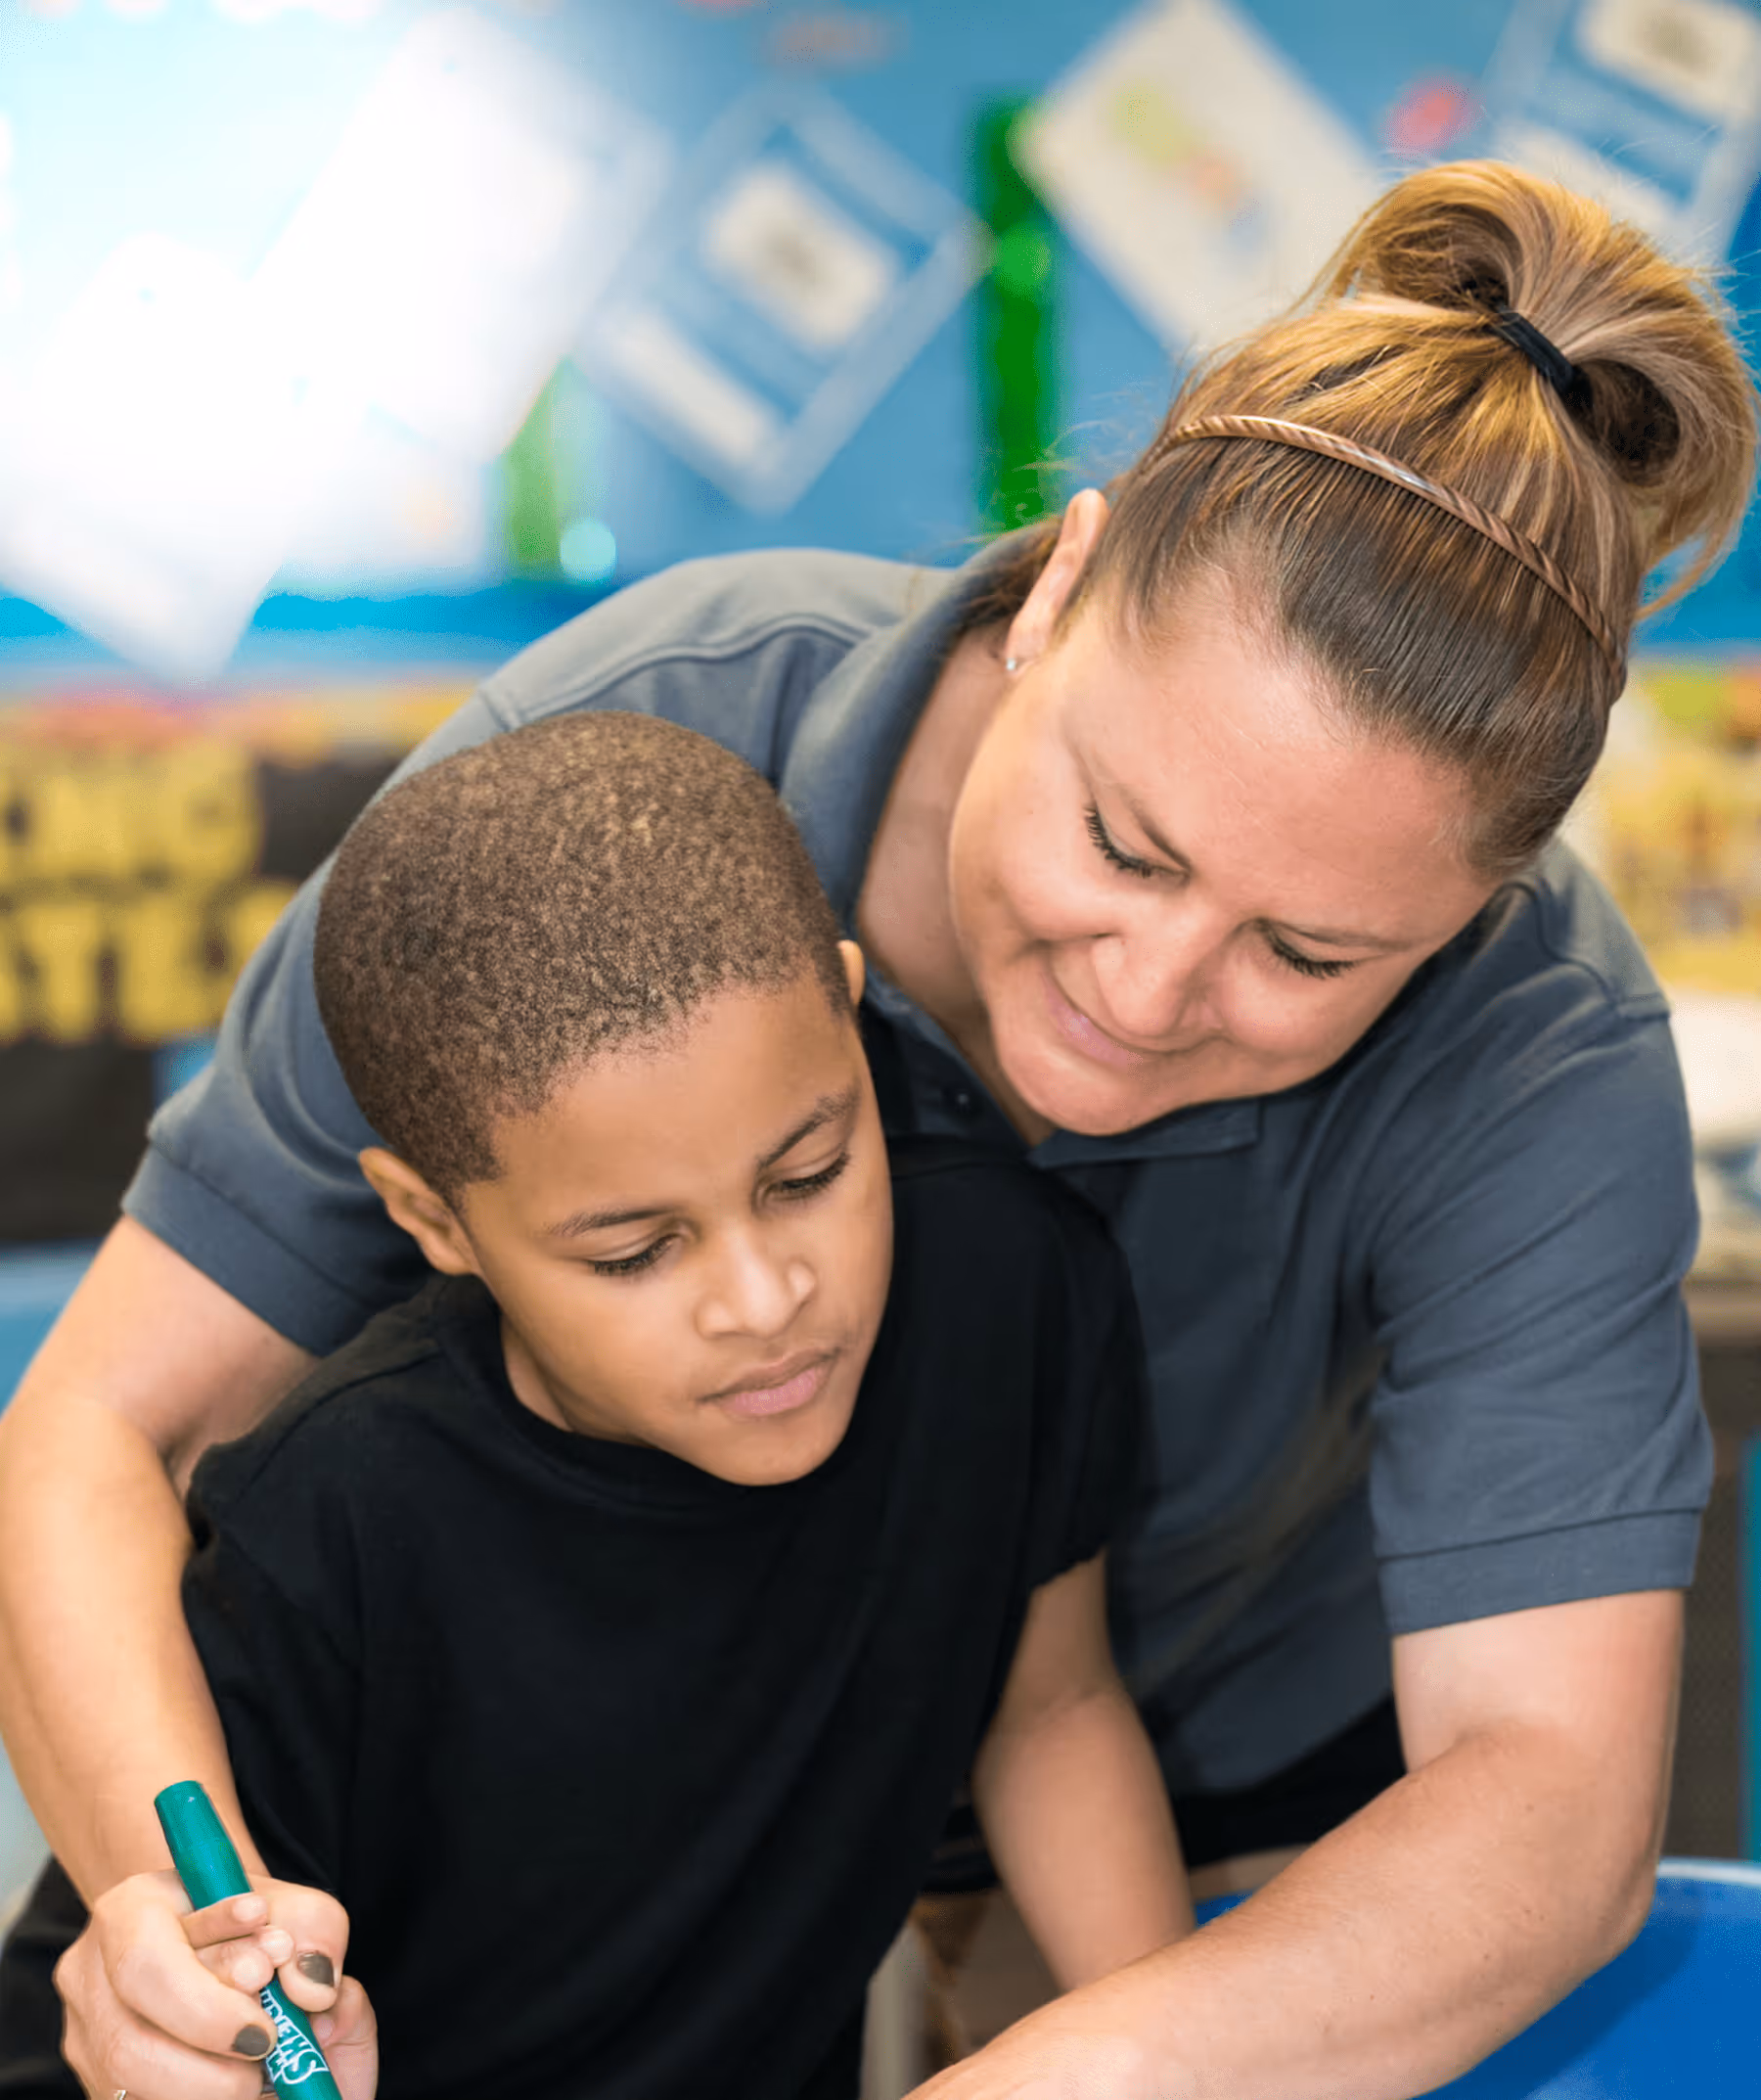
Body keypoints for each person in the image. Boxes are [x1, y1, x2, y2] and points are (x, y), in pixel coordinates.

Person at [0, 158, 1752, 2099]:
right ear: (1059, 583)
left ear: (1476, 913)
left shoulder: (1538, 1043)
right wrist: (163, 1910)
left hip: (1229, 1780)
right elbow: (96, 1426)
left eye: (1306, 951)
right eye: (1122, 837)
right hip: (654, 1770)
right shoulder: (632, 763)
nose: (1149, 990)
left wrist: (1070, 2064)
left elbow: (1550, 1805)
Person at [0, 712, 1191, 2100]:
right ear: (434, 1219)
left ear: (855, 1021)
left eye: (807, 1168)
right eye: (634, 1251)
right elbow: (207, 2004)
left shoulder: (1011, 1291)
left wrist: (1179, 2045)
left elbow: (1050, 1708)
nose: (765, 1297)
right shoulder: (340, 1518)